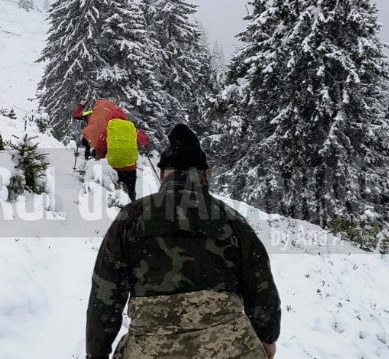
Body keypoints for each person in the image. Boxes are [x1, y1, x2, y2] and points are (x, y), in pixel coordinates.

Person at [85, 124, 281, 359]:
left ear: (162, 174)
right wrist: (267, 339)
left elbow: (105, 294)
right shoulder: (232, 219)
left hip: (150, 350)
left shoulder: (130, 218)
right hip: (231, 349)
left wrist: (96, 353)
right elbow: (261, 289)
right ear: (205, 174)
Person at [94, 108, 148, 202]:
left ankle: (114, 210)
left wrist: (103, 159)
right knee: (130, 193)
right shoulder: (132, 128)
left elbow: (100, 147)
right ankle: (132, 206)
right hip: (130, 168)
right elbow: (144, 140)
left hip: (112, 167)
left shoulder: (107, 129)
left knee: (113, 193)